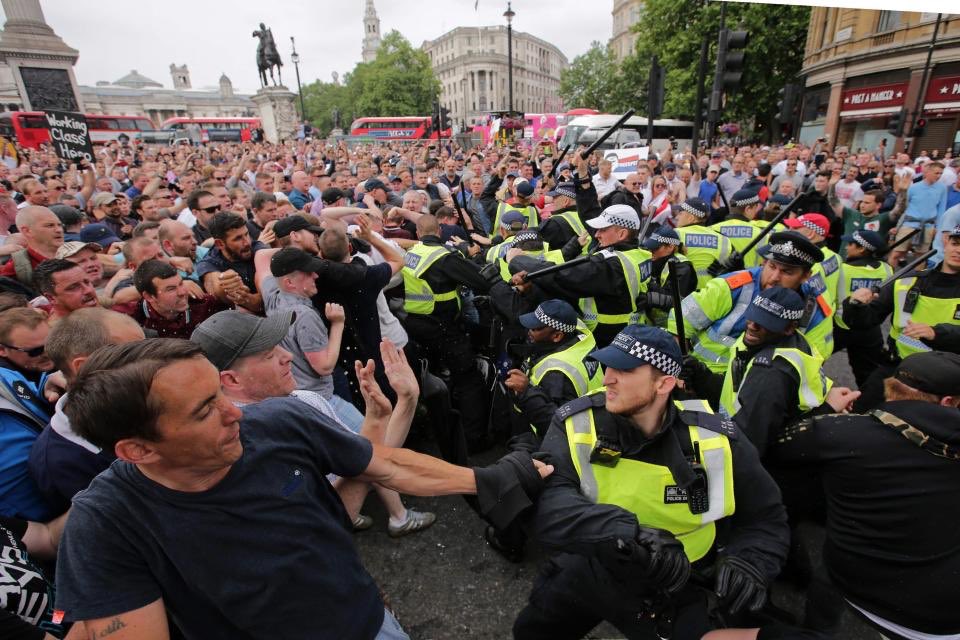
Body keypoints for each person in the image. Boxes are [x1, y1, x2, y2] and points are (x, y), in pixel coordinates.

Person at [53, 337, 550, 639]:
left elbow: (386, 467)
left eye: (219, 394)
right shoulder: (104, 524)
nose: (233, 413)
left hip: (371, 624)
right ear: (137, 450)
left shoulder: (278, 421)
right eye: (205, 410)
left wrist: (495, 479)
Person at [514, 325, 789, 639]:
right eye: (608, 366)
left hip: (679, 584)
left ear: (665, 383)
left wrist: (751, 559)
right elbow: (549, 503)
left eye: (625, 370)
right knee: (531, 631)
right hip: (595, 566)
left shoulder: (717, 439)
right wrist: (628, 533)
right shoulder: (577, 422)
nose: (607, 379)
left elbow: (765, 517)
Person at [769, 351, 960, 638]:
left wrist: (827, 410)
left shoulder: (841, 433)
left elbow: (781, 445)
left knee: (822, 616)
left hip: (849, 575)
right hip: (935, 612)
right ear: (948, 402)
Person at [681, 287, 856, 456]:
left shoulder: (770, 374)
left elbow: (746, 446)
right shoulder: (783, 341)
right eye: (753, 315)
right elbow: (739, 391)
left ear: (789, 328)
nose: (752, 326)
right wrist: (702, 376)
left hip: (767, 458)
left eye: (766, 322)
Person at [28, 308, 145, 515]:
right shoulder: (62, 461)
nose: (153, 361)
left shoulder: (149, 395)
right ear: (84, 366)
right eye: (133, 355)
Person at [670, 231, 833, 373]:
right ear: (764, 262)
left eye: (787, 272)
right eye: (772, 266)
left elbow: (813, 365)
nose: (774, 277)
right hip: (702, 374)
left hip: (761, 386)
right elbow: (678, 326)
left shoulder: (815, 312)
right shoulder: (731, 286)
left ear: (806, 276)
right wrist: (679, 372)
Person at [842, 224, 960, 410]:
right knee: (859, 413)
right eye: (956, 243)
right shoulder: (908, 280)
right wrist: (855, 306)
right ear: (946, 243)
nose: (958, 250)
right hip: (897, 369)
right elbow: (867, 320)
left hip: (947, 381)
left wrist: (936, 333)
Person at [402, 214, 494, 450]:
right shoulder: (443, 257)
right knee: (468, 379)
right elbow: (480, 281)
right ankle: (474, 441)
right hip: (443, 326)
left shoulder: (412, 254)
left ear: (419, 234)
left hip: (415, 325)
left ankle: (433, 432)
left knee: (430, 380)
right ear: (440, 231)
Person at [512, 204, 650, 348]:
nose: (596, 235)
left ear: (621, 234)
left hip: (604, 337)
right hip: (626, 332)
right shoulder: (638, 253)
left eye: (603, 229)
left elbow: (561, 277)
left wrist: (516, 260)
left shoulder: (610, 264)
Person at [0, 307, 56, 520]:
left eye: (50, 344)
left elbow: (28, 387)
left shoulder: (17, 376)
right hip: (26, 524)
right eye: (34, 351)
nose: (46, 353)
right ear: (2, 350)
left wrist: (49, 384)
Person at [832, 230, 892, 387]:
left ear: (861, 249)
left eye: (850, 244)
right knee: (869, 374)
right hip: (870, 328)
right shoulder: (887, 269)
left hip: (840, 327)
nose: (846, 247)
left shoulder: (841, 269)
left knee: (814, 361)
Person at [129, 259, 223, 339]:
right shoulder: (134, 321)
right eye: (171, 289)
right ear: (149, 296)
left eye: (181, 283)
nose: (182, 292)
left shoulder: (204, 304)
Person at [196, 212, 266, 313]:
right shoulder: (209, 263)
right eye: (238, 238)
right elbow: (213, 284)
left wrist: (246, 298)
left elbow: (268, 299)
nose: (247, 242)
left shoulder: (257, 248)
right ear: (220, 244)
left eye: (246, 234)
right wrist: (224, 283)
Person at [889, 161, 947, 266]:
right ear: (928, 172)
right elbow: (903, 207)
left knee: (920, 257)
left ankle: (917, 282)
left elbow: (941, 209)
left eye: (941, 173)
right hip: (909, 224)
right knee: (896, 253)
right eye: (936, 173)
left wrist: (937, 227)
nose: (939, 176)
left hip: (928, 226)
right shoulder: (914, 187)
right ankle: (888, 278)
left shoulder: (942, 188)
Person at [640, 227, 697, 328]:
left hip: (675, 327)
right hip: (655, 323)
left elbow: (679, 300)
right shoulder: (654, 260)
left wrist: (649, 296)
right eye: (649, 247)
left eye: (655, 248)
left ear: (670, 247)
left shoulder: (682, 266)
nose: (650, 251)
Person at [0, 207, 65, 291]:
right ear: (27, 231)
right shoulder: (17, 268)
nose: (59, 230)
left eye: (60, 225)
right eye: (49, 225)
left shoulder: (77, 254)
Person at [673, 197, 732, 289]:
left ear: (691, 218)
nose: (677, 217)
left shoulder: (675, 234)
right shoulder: (723, 239)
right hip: (711, 295)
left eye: (680, 213)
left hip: (683, 295)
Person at [713, 188, 765, 269]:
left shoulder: (712, 229)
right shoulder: (762, 233)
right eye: (756, 207)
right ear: (747, 209)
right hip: (749, 279)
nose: (757, 211)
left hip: (720, 280)